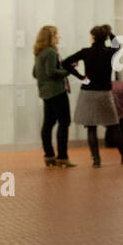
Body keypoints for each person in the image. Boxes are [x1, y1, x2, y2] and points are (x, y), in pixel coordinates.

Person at [63, 24, 123, 166]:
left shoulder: (86, 52)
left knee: (91, 127)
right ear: (105, 38)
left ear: (93, 37)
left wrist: (81, 76)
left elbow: (65, 63)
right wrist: (110, 33)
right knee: (114, 125)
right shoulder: (110, 52)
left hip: (88, 93)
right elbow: (117, 45)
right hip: (105, 93)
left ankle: (96, 161)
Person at [33, 25, 80, 167]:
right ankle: (62, 157)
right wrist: (68, 70)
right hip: (57, 92)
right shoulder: (51, 52)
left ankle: (49, 156)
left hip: (46, 93)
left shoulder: (40, 52)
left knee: (48, 123)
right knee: (64, 122)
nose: (59, 36)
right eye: (57, 34)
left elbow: (35, 73)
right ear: (51, 37)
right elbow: (52, 72)